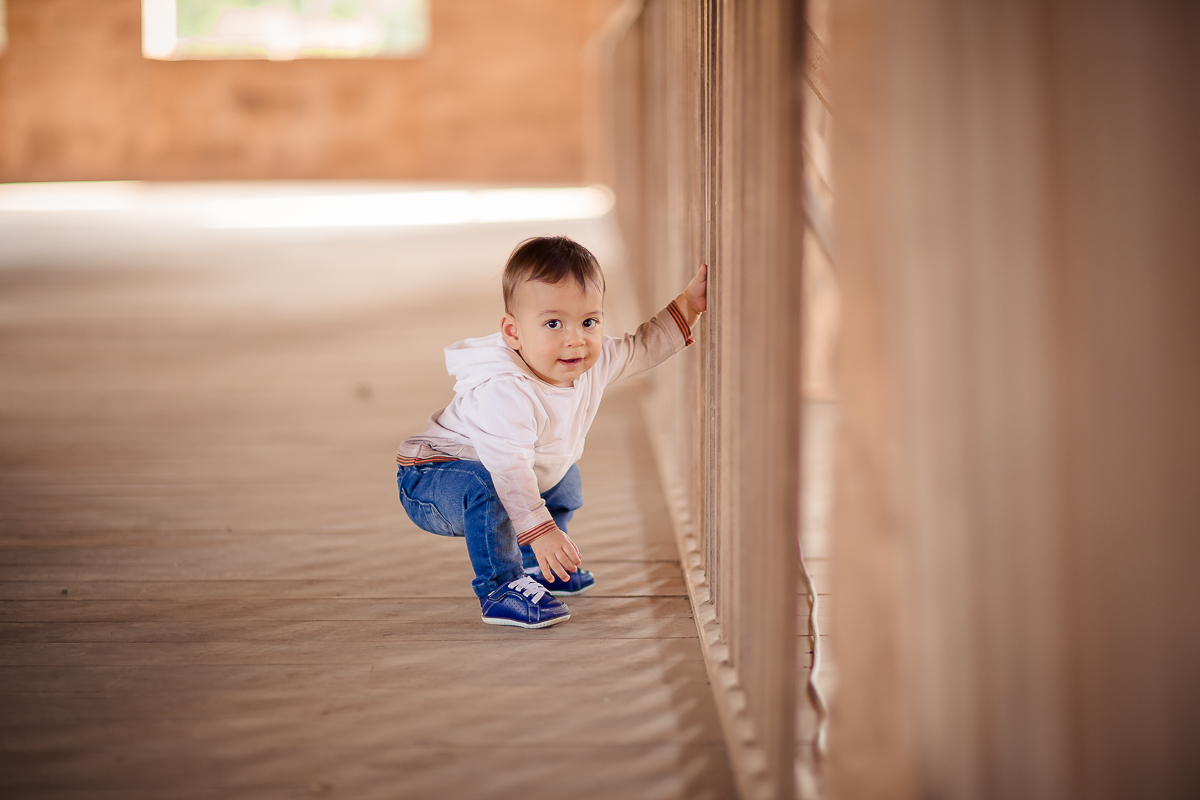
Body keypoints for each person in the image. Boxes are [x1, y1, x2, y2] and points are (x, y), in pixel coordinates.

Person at [396, 236, 706, 628]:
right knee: (491, 484)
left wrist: (689, 306)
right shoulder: (505, 390)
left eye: (589, 321)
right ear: (513, 332)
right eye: (553, 323)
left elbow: (641, 346)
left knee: (563, 477)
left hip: (500, 473)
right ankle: (500, 587)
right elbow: (509, 470)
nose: (575, 339)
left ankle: (540, 568)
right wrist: (540, 531)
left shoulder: (591, 360)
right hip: (435, 479)